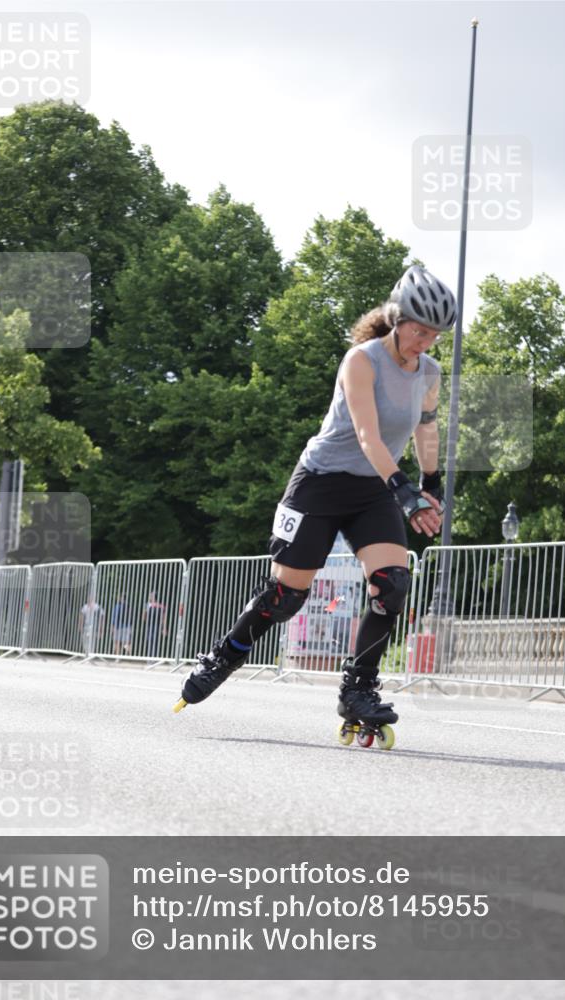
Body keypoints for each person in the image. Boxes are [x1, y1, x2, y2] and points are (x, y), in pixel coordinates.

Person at [173, 265, 456, 737]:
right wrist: (405, 492)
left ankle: (357, 689)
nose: (425, 341)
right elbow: (367, 435)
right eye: (419, 330)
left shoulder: (429, 371)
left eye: (435, 334)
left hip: (372, 491)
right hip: (321, 482)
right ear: (397, 317)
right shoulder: (361, 361)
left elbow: (426, 425)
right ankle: (223, 656)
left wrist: (431, 481)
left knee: (392, 586)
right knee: (286, 598)